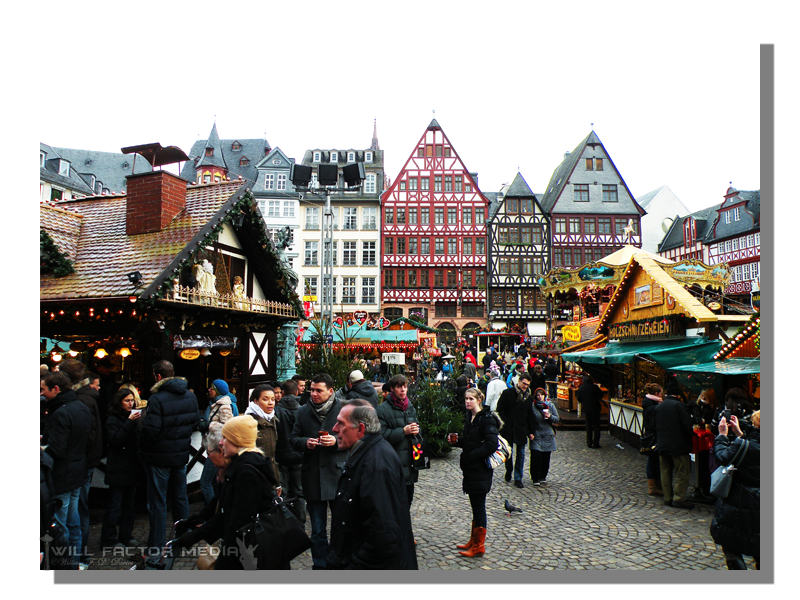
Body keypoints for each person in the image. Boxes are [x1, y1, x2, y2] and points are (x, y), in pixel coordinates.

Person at [173, 416, 279, 570]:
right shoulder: (239, 466)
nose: (221, 443)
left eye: (225, 438)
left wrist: (223, 561)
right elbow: (223, 508)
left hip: (254, 554)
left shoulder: (246, 472)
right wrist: (192, 527)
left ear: (237, 441)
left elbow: (238, 523)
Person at [327, 399, 418, 569]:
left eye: (340, 423)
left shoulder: (376, 465)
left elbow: (383, 535)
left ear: (360, 429)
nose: (334, 429)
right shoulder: (367, 454)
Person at [139, 360, 200, 552]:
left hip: (159, 457)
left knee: (158, 502)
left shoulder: (156, 399)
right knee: (180, 497)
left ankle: (156, 545)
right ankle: (182, 540)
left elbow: (150, 430)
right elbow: (194, 423)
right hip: (181, 455)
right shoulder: (190, 396)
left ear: (157, 376)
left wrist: (146, 446)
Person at [289, 373, 348, 570]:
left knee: (342, 527)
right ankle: (320, 566)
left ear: (330, 391)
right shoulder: (303, 410)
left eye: (318, 390)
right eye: (311, 389)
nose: (313, 393)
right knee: (317, 530)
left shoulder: (344, 409)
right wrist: (306, 443)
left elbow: (356, 438)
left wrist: (336, 442)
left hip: (338, 475)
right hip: (313, 476)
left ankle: (340, 562)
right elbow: (294, 438)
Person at [40, 371, 92, 570]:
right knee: (73, 522)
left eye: (43, 389)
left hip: (63, 474)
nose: (41, 393)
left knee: (61, 526)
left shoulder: (61, 412)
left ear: (56, 389)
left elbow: (57, 450)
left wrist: (43, 447)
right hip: (77, 470)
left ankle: (67, 566)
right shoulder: (80, 406)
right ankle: (77, 562)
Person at [58, 359, 103, 568]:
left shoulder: (80, 400)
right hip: (82, 461)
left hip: (77, 463)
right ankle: (78, 558)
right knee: (76, 511)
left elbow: (88, 435)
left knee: (74, 512)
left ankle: (76, 559)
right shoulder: (86, 398)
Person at [448, 388, 501, 558]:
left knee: (479, 507)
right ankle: (473, 540)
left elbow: (492, 444)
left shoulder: (486, 419)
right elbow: (472, 441)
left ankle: (479, 546)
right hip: (471, 470)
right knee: (475, 506)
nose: (467, 402)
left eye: (471, 398)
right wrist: (457, 443)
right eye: (466, 399)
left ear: (479, 399)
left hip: (480, 470)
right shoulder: (470, 418)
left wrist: (472, 456)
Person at [709, 410, 761, 570]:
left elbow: (723, 456)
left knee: (730, 542)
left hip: (739, 498)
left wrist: (722, 436)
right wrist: (740, 434)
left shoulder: (745, 446)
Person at [101, 388, 142, 549]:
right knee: (114, 504)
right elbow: (117, 440)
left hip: (132, 466)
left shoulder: (133, 418)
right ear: (119, 402)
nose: (130, 403)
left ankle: (126, 535)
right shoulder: (112, 419)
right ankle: (109, 539)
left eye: (132, 400)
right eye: (127, 400)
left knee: (129, 505)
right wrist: (130, 422)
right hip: (118, 467)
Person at [376, 374, 420, 508]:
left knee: (407, 503)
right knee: (394, 506)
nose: (403, 390)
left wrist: (417, 431)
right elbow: (381, 436)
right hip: (393, 465)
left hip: (410, 465)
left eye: (405, 387)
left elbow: (418, 428)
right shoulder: (382, 410)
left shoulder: (410, 407)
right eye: (399, 387)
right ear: (392, 389)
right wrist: (403, 431)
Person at [654, 380, 694, 509]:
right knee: (682, 472)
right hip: (678, 445)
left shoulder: (658, 407)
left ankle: (667, 497)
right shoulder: (680, 406)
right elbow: (687, 426)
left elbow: (653, 426)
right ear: (677, 395)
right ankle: (678, 498)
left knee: (665, 472)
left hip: (662, 444)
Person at [198, 379, 236, 505]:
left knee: (205, 482)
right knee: (214, 482)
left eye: (212, 388)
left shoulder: (224, 406)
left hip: (218, 449)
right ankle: (217, 510)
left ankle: (211, 513)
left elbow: (227, 427)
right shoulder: (214, 404)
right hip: (213, 447)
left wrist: (209, 425)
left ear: (218, 391)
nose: (209, 390)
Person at [496, 373, 534, 487]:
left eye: (527, 385)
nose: (525, 386)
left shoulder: (528, 397)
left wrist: (531, 430)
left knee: (521, 454)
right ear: (519, 381)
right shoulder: (508, 393)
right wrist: (505, 423)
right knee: (509, 452)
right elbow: (500, 410)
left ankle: (518, 477)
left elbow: (529, 415)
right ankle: (509, 470)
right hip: (508, 428)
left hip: (521, 428)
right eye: (524, 384)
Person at [275, 379, 305, 522]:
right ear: (297, 392)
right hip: (299, 455)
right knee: (299, 491)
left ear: (283, 392)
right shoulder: (302, 409)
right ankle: (300, 519)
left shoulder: (277, 411)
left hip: (281, 455)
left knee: (283, 492)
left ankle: (284, 520)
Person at [245, 384, 281, 483]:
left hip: (269, 475)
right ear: (255, 401)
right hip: (254, 477)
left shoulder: (271, 419)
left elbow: (271, 457)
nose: (270, 403)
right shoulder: (248, 422)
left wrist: (276, 482)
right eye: (265, 399)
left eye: (273, 399)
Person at [529, 388, 560, 485]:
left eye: (542, 395)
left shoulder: (550, 405)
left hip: (547, 434)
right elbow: (529, 419)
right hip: (537, 434)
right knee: (536, 456)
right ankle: (535, 477)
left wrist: (549, 416)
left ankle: (543, 476)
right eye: (538, 395)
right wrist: (530, 432)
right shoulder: (532, 406)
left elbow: (557, 419)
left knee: (546, 457)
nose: (540, 397)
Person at [641, 383, 664, 496]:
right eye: (661, 393)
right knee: (653, 461)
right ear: (656, 394)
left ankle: (656, 485)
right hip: (654, 436)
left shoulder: (649, 404)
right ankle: (654, 486)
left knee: (653, 460)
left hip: (650, 435)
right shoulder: (654, 407)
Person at [577, 376, 606, 448]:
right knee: (596, 426)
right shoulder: (594, 387)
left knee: (588, 426)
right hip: (595, 408)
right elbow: (601, 395)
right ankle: (596, 443)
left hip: (586, 409)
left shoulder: (581, 388)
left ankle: (589, 442)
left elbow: (579, 399)